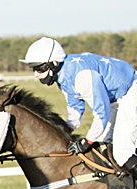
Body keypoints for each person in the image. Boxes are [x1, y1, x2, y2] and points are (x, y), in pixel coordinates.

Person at [20, 37, 137, 177]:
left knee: (122, 153)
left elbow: (101, 113)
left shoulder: (82, 76)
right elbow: (75, 108)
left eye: (40, 68)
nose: (36, 75)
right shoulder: (63, 76)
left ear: (54, 63)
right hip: (115, 98)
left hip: (129, 92)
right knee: (103, 144)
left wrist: (87, 141)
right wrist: (64, 130)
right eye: (34, 68)